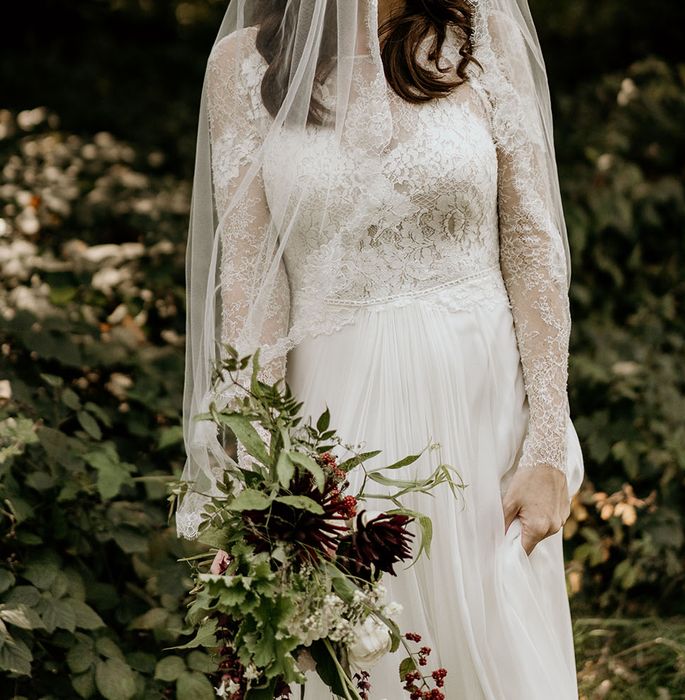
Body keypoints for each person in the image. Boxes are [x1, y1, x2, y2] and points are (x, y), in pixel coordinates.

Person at [178, 0, 585, 697]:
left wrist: (547, 443)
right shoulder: (245, 66)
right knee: (353, 657)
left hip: (478, 419)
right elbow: (251, 282)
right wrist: (259, 479)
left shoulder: (485, 43)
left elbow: (530, 242)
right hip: (330, 425)